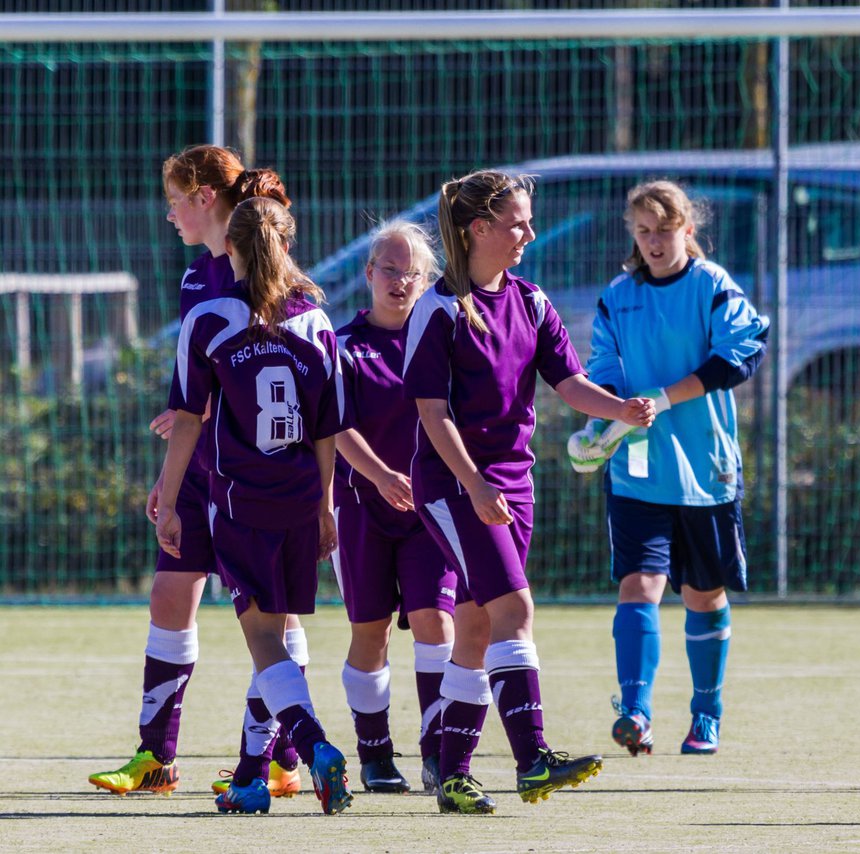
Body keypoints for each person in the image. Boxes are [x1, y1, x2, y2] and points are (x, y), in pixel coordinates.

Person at [402, 169, 654, 808]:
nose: (528, 233)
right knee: (516, 609)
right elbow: (433, 415)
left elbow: (568, 383)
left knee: (479, 627)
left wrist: (618, 409)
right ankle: (533, 757)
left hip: (513, 481)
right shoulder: (437, 310)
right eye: (516, 223)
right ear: (479, 229)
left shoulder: (531, 300)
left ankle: (452, 774)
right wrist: (475, 485)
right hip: (456, 485)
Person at [90, 145, 307, 800]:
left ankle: (281, 757)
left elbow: (277, 381)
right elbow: (198, 384)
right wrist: (172, 472)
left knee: (276, 619)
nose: (170, 215)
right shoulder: (195, 279)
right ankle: (156, 757)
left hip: (258, 478)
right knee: (170, 594)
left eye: (175, 201)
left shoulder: (270, 274)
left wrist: (207, 412)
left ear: (204, 198)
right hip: (199, 468)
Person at [154, 196, 353, 815]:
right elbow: (328, 428)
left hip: (241, 502)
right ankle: (248, 778)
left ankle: (315, 745)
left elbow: (188, 419)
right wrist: (323, 507)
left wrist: (166, 498)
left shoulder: (210, 316)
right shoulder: (317, 321)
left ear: (231, 248)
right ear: (285, 245)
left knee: (266, 642)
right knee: (283, 638)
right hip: (299, 500)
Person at [573, 180, 769, 758]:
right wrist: (602, 422)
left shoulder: (711, 286)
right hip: (637, 462)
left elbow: (742, 353)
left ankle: (706, 713)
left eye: (664, 230)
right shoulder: (618, 295)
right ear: (632, 234)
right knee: (639, 586)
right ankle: (635, 711)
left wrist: (661, 396)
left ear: (688, 230)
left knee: (703, 594)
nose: (654, 242)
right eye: (643, 231)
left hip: (707, 466)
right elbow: (603, 366)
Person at [330, 221, 466, 800]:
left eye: (413, 272)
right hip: (362, 507)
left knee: (437, 623)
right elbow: (334, 427)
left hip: (431, 511)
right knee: (371, 633)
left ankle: (438, 749)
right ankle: (376, 754)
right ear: (368, 273)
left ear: (428, 278)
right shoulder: (342, 346)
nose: (400, 281)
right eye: (389, 269)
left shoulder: (442, 339)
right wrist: (380, 475)